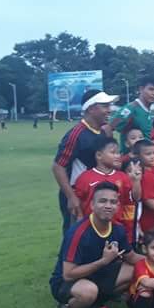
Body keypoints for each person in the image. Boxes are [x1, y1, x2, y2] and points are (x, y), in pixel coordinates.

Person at [49, 182, 142, 308]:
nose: (108, 206)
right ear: (92, 205)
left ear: (118, 206)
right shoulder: (78, 233)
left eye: (113, 202)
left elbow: (131, 257)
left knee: (134, 270)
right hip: (67, 282)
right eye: (103, 201)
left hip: (96, 274)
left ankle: (95, 307)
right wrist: (103, 261)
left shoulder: (118, 229)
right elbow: (68, 274)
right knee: (88, 291)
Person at [52, 90, 118, 231]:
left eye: (109, 106)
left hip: (100, 193)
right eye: (105, 106)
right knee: (77, 234)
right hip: (79, 195)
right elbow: (58, 166)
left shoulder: (103, 132)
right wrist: (71, 197)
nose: (109, 110)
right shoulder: (76, 134)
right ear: (91, 109)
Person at [73, 136, 141, 244]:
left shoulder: (122, 177)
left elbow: (135, 198)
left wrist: (136, 181)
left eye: (118, 153)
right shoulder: (85, 178)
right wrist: (79, 219)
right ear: (99, 155)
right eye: (113, 152)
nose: (117, 156)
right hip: (91, 228)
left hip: (115, 228)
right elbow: (77, 202)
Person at [109, 76, 154, 148]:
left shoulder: (147, 110)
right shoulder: (130, 108)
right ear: (141, 89)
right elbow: (108, 128)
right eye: (151, 89)